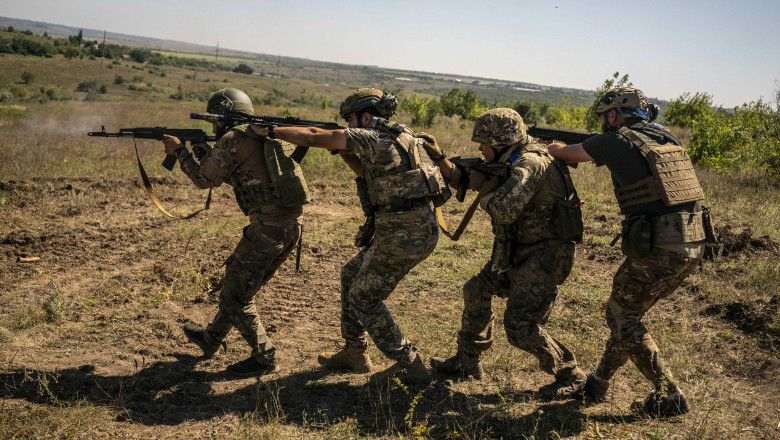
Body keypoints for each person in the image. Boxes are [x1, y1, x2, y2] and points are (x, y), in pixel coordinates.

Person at [249, 88, 448, 381]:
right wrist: (344, 154)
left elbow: (315, 136)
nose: (348, 126)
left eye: (351, 120)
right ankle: (355, 351)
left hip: (404, 234)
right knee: (350, 275)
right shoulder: (403, 135)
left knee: (363, 298)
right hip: (408, 229)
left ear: (366, 116)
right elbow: (368, 175)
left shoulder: (371, 136)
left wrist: (271, 131)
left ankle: (410, 363)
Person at [547, 87, 711, 417]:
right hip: (693, 241)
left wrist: (551, 146)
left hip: (660, 246)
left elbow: (565, 153)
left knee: (621, 315)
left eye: (604, 116)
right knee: (627, 315)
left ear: (613, 114)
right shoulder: (666, 138)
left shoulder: (614, 140)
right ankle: (598, 382)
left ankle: (670, 395)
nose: (603, 122)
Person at [420, 108, 587, 399]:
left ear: (500, 142)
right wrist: (438, 157)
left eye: (483, 144)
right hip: (514, 250)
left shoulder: (530, 163)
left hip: (544, 256)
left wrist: (485, 193)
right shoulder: (509, 159)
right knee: (475, 290)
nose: (480, 150)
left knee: (520, 326)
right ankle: (467, 363)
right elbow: (463, 177)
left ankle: (570, 374)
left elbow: (504, 210)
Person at [161, 88, 311, 377]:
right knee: (241, 289)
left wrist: (178, 151)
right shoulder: (266, 135)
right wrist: (211, 157)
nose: (214, 129)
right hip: (291, 227)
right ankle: (211, 338)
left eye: (216, 122)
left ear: (227, 117)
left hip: (268, 230)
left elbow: (203, 180)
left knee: (235, 295)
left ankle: (265, 358)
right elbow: (254, 181)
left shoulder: (234, 138)